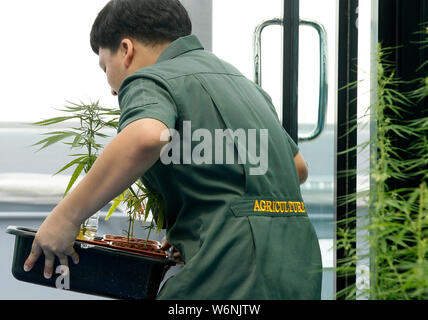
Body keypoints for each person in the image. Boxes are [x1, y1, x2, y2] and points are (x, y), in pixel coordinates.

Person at [24, 0, 322, 299]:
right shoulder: (242, 84)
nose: (112, 89)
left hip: (229, 271)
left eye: (106, 67)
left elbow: (147, 137)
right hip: (297, 268)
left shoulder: (152, 78)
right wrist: (203, 224)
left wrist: (66, 217)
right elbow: (296, 167)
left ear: (126, 50)